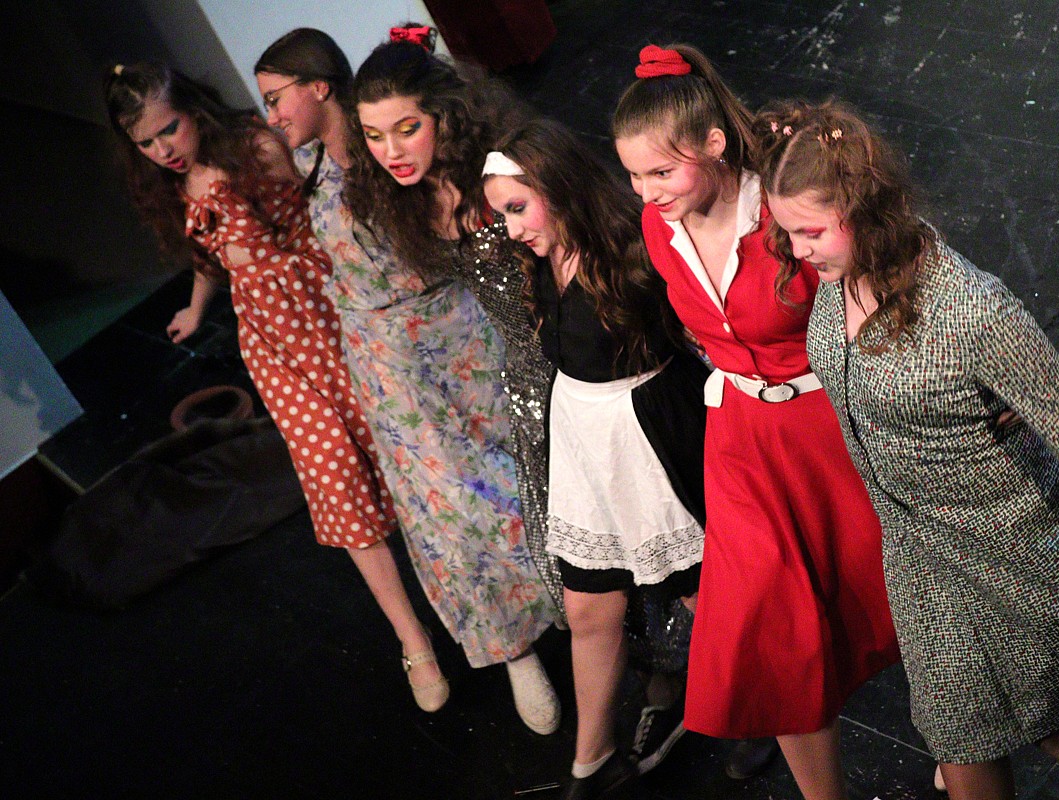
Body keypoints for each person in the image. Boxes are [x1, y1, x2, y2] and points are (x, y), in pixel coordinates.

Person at [757, 96, 1059, 800]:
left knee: (1053, 717)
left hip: (1011, 544)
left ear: (866, 210)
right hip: (920, 556)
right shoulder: (836, 282)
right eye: (789, 233)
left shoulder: (974, 311)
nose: (799, 250)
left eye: (811, 231)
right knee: (959, 738)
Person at [102, 62, 448, 709]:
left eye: (169, 130)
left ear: (193, 108)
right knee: (334, 475)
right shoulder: (170, 182)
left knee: (399, 451)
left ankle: (467, 598)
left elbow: (324, 208)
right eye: (145, 142)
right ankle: (413, 640)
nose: (163, 149)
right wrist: (197, 308)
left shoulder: (253, 145)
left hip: (326, 305)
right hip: (272, 341)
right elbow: (210, 252)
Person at [252, 27, 561, 733]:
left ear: (319, 87)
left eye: (276, 97)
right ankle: (514, 654)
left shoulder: (413, 164)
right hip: (385, 367)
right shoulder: (310, 164)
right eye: (376, 133)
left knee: (519, 482)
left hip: (460, 341)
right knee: (446, 518)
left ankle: (570, 603)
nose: (270, 114)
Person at [613, 45, 901, 800]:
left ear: (713, 145)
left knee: (900, 600)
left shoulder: (784, 213)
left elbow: (880, 299)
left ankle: (966, 742)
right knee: (771, 634)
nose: (646, 192)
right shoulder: (659, 228)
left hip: (835, 427)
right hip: (742, 439)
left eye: (661, 172)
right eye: (635, 176)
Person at [482, 118, 711, 798]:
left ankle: (767, 714)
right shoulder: (541, 260)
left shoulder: (635, 252)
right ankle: (591, 764)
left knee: (707, 596)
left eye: (518, 208)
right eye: (502, 215)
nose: (511, 229)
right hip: (583, 435)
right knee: (588, 610)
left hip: (650, 435)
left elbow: (699, 331)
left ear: (557, 186)